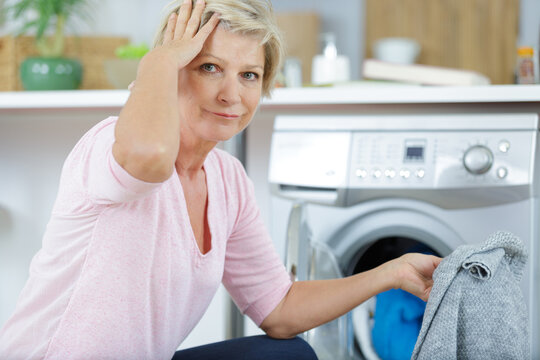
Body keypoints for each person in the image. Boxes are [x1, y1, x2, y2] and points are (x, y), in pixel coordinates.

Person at [0, 0, 442, 359]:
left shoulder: (228, 179)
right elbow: (152, 155)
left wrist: (391, 273)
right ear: (172, 68)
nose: (231, 94)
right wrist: (158, 61)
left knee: (288, 356)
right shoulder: (108, 146)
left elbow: (279, 309)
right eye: (209, 67)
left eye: (249, 75)